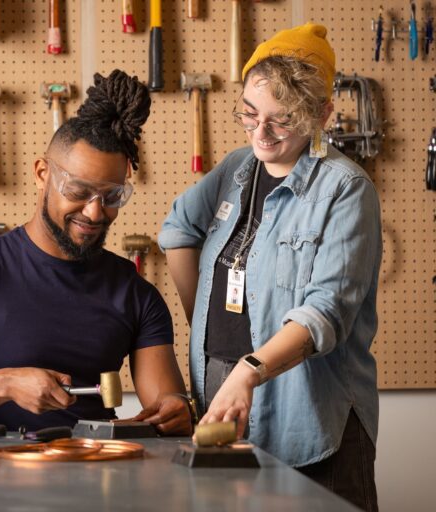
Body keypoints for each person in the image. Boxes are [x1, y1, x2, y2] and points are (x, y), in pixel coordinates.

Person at [0, 70, 193, 436]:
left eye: (111, 197)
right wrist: (5, 384)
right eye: (79, 191)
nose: (95, 213)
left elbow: (167, 405)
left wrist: (176, 412)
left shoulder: (135, 294)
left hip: (91, 475)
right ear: (41, 174)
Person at [158, 24, 380, 511]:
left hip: (307, 411)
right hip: (219, 392)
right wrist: (202, 321)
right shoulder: (237, 168)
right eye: (250, 114)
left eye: (282, 121)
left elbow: (326, 312)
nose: (261, 133)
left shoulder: (345, 188)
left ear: (322, 114)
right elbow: (177, 228)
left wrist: (249, 370)